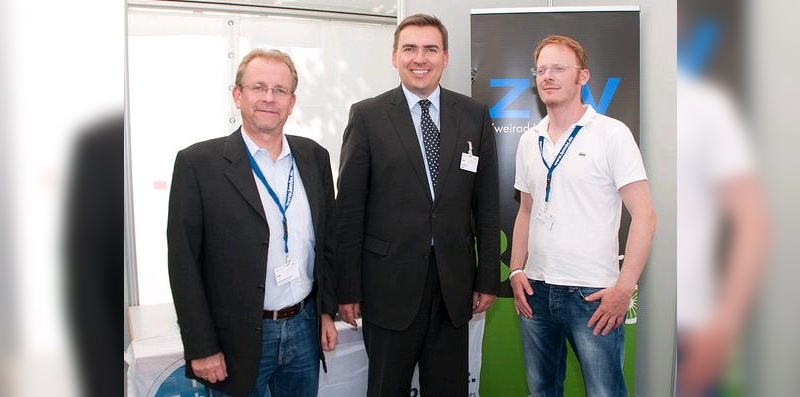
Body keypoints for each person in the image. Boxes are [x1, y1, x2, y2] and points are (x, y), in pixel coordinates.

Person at [335, 13, 500, 397]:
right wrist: (347, 288)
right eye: (409, 48)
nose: (419, 58)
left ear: (445, 57)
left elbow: (487, 206)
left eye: (430, 49)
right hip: (386, 287)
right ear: (394, 56)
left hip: (453, 289)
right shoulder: (367, 116)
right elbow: (349, 210)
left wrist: (487, 277)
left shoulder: (474, 115)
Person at [167, 49, 338, 397]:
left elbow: (328, 243)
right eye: (258, 86)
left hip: (304, 327)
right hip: (237, 338)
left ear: (291, 102)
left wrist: (324, 313)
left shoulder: (314, 157)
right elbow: (183, 262)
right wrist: (201, 346)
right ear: (237, 94)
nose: (268, 98)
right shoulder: (198, 164)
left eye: (280, 90)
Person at [508, 35, 656, 397]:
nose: (548, 77)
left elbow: (646, 216)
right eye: (541, 70)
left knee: (604, 392)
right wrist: (515, 270)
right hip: (536, 291)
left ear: (583, 76)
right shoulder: (530, 140)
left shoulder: (611, 134)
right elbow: (526, 210)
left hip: (592, 293)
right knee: (541, 390)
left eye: (559, 68)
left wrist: (624, 289)